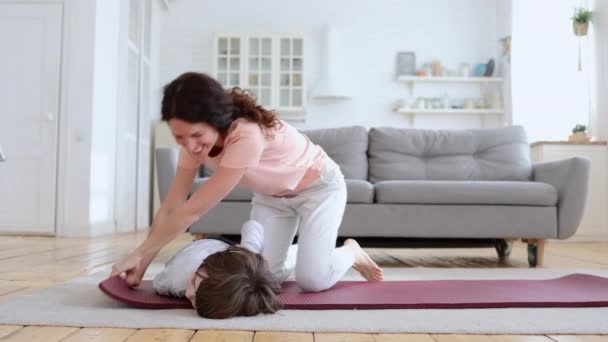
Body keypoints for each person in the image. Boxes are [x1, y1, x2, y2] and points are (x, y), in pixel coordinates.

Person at [110, 71, 383, 295]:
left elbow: (193, 209)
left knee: (313, 280)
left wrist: (139, 252)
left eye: (196, 135)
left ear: (216, 121)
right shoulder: (193, 144)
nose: (190, 146)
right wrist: (143, 260)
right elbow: (172, 205)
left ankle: (350, 252)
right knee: (265, 279)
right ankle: (310, 254)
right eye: (180, 138)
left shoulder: (246, 135)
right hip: (271, 198)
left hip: (319, 189)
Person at [153, 220, 287, 318]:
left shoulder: (245, 262)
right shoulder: (174, 281)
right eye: (194, 281)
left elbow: (254, 225)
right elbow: (157, 281)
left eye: (195, 299)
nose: (188, 294)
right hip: (210, 245)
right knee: (271, 271)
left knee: (263, 271)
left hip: (232, 257)